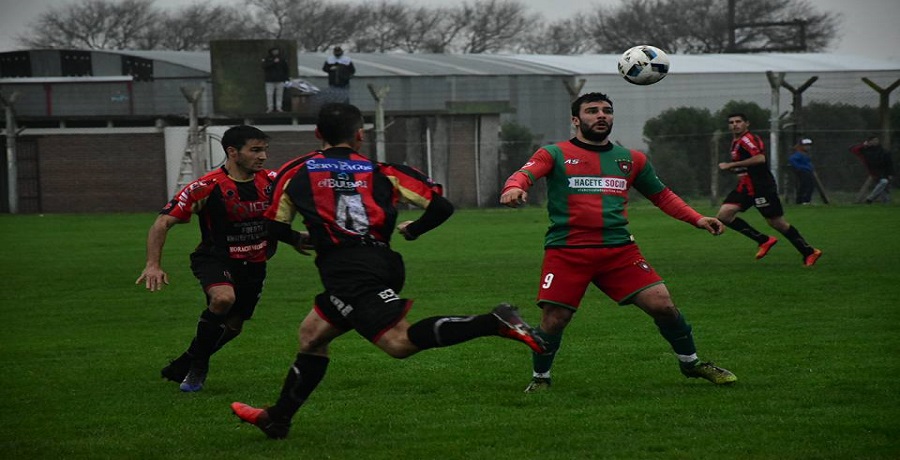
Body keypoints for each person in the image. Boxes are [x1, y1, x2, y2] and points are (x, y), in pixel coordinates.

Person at [230, 103, 546, 439]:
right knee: (312, 335)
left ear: (318, 134)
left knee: (398, 343)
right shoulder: (383, 170)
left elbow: (273, 226)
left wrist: (298, 237)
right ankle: (278, 418)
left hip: (348, 270)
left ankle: (492, 321)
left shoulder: (297, 171)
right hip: (383, 261)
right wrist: (415, 230)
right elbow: (441, 206)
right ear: (360, 136)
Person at [500, 92, 737, 394]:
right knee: (555, 318)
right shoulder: (554, 153)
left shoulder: (631, 159)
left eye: (607, 111)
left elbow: (661, 195)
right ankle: (541, 378)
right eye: (592, 111)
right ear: (576, 119)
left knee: (663, 305)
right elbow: (524, 174)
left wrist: (697, 218)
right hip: (568, 250)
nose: (601, 115)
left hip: (619, 250)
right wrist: (513, 188)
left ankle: (691, 363)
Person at [136, 125, 309, 392]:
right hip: (216, 259)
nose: (263, 156)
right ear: (232, 152)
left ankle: (189, 360)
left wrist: (295, 237)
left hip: (254, 264)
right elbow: (161, 223)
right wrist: (153, 264)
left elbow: (274, 221)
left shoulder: (273, 182)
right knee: (223, 299)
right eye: (255, 150)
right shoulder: (207, 186)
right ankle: (198, 367)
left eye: (264, 150)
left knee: (234, 327)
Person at [716, 113, 822, 267]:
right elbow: (747, 164)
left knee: (776, 222)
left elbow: (760, 159)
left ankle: (808, 251)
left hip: (762, 187)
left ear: (747, 123)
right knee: (724, 214)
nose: (735, 125)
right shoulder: (736, 141)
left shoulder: (747, 139)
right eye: (731, 122)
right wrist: (736, 169)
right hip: (746, 185)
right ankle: (764, 240)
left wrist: (730, 165)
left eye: (738, 121)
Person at [849, 135, 894, 203]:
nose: (875, 142)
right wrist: (863, 145)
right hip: (873, 171)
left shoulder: (883, 151)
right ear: (869, 142)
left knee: (884, 189)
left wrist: (890, 173)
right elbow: (852, 149)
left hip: (884, 171)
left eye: (876, 140)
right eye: (873, 140)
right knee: (884, 182)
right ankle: (870, 199)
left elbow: (889, 163)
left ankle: (886, 203)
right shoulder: (864, 150)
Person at [787, 138, 816, 205]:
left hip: (807, 171)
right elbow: (792, 160)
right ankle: (803, 200)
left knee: (810, 185)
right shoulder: (799, 154)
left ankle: (805, 200)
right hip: (803, 172)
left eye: (809, 145)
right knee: (806, 185)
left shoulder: (805, 154)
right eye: (806, 145)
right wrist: (800, 167)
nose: (808, 147)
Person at [262, 47, 290, 112]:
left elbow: (286, 69)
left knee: (280, 94)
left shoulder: (282, 59)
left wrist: (286, 78)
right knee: (269, 94)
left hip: (280, 80)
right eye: (274, 51)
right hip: (269, 80)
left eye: (277, 51)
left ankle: (279, 107)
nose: (276, 52)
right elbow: (264, 66)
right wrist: (273, 62)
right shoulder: (267, 58)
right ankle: (270, 108)